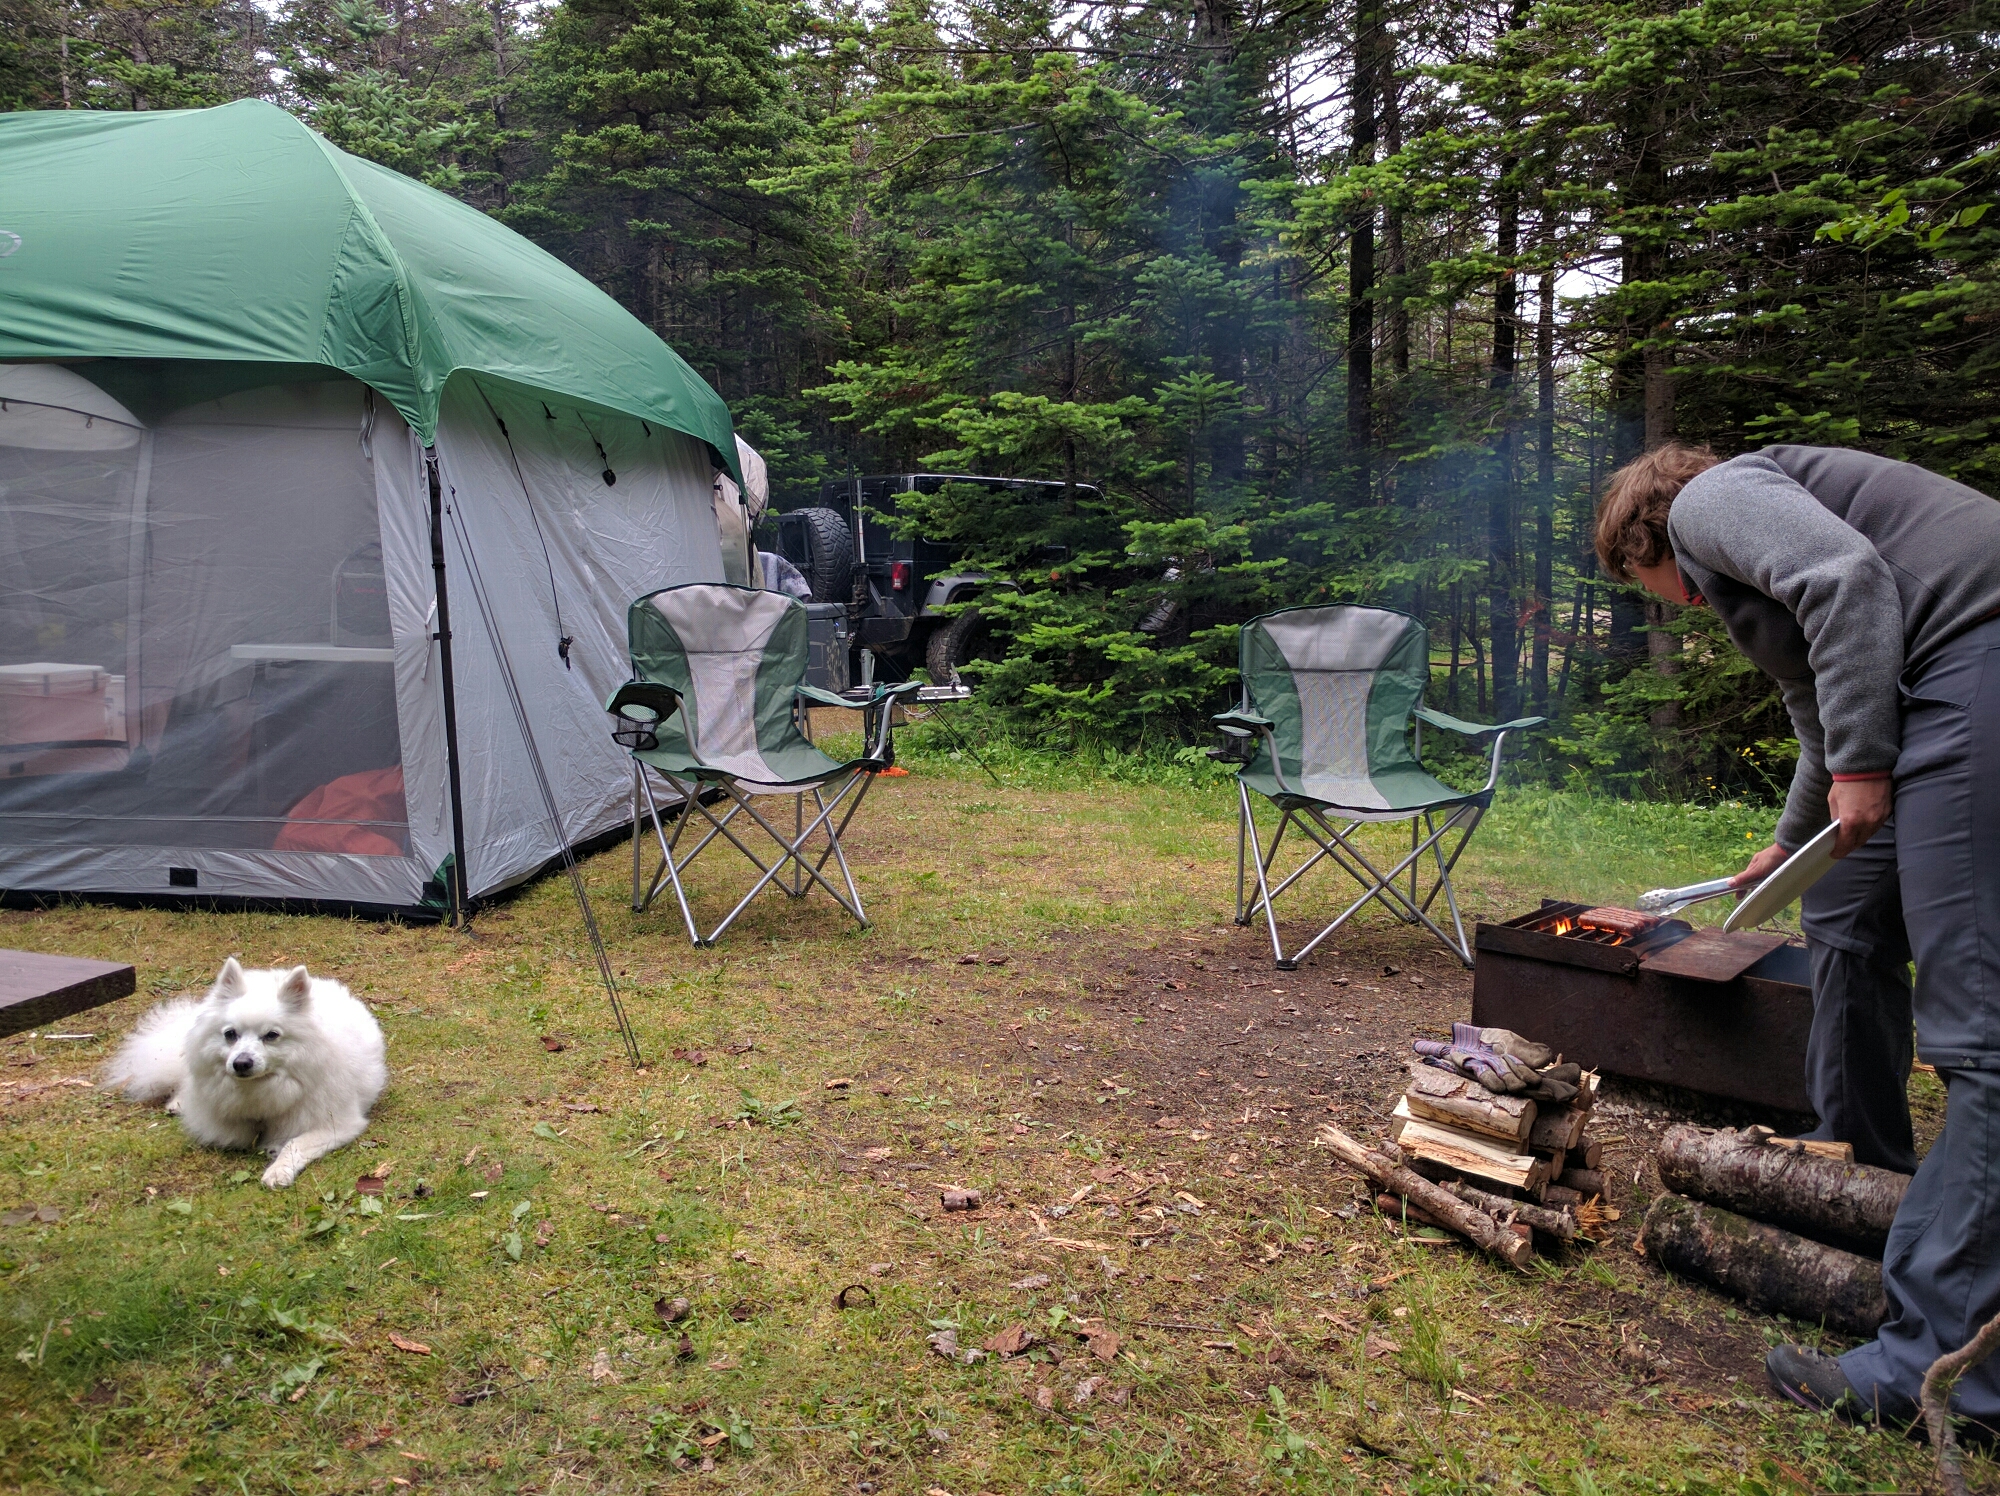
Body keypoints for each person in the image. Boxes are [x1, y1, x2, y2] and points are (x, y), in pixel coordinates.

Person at [1595, 440, 2000, 1432]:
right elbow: (1817, 704)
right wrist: (1786, 841)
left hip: (1978, 663)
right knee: (1840, 910)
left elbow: (1848, 582)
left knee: (1978, 1026)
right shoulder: (1747, 542)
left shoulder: (1709, 504)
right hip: (1934, 683)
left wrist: (1864, 765)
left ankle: (1940, 1370)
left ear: (1647, 537)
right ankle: (1873, 1188)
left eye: (1638, 580)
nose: (1662, 598)